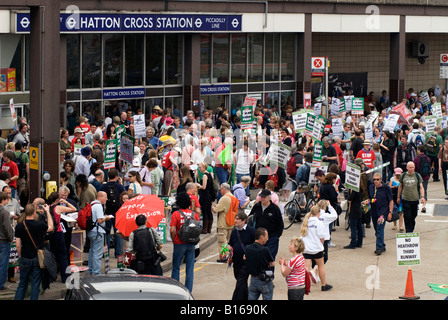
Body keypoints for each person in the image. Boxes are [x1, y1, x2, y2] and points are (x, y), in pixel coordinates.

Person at [14, 203, 54, 300]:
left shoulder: (19, 226)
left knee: (22, 283)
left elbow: (18, 244)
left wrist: (20, 256)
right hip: (37, 257)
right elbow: (51, 227)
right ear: (34, 212)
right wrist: (48, 212)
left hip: (25, 257)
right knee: (35, 283)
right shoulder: (39, 225)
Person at [170, 191, 199, 292]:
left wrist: (174, 239)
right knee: (190, 268)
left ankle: (175, 289)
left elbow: (172, 230)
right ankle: (188, 290)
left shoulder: (176, 214)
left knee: (176, 267)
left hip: (179, 243)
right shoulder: (194, 214)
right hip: (191, 243)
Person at [47, 191, 77, 283]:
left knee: (52, 255)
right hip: (58, 232)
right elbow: (74, 209)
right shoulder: (58, 208)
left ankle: (51, 277)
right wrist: (66, 202)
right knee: (63, 255)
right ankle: (65, 277)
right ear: (57, 199)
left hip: (51, 233)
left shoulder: (48, 208)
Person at [300, 206, 332, 291]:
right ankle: (323, 285)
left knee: (306, 266)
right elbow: (322, 237)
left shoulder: (306, 222)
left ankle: (306, 286)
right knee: (321, 265)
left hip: (306, 248)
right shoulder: (319, 223)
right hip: (316, 248)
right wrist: (322, 246)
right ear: (318, 213)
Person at [248, 189, 283, 262]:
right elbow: (250, 218)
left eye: (264, 197)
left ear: (269, 198)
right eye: (261, 197)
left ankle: (269, 273)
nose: (262, 198)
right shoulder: (256, 207)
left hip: (271, 238)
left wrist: (276, 236)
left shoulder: (275, 209)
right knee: (258, 259)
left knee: (269, 259)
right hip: (258, 238)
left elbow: (280, 223)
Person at [228, 212, 255, 300]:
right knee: (241, 283)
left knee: (240, 283)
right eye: (235, 218)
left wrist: (249, 254)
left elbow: (255, 245)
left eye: (237, 219)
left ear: (244, 221)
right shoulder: (234, 231)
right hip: (236, 261)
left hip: (246, 263)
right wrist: (228, 247)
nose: (235, 221)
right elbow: (231, 243)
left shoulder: (251, 231)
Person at [100, 168, 125, 258]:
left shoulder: (103, 187)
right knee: (118, 232)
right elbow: (123, 197)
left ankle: (105, 252)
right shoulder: (119, 187)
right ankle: (118, 253)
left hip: (106, 212)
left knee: (106, 232)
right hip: (118, 212)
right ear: (116, 176)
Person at [245, 227, 275, 300]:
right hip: (264, 279)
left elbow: (245, 258)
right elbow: (272, 263)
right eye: (266, 236)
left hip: (253, 279)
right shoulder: (265, 249)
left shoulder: (248, 248)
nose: (267, 239)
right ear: (262, 237)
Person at [86, 191, 112, 275]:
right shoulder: (98, 206)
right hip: (97, 231)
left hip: (91, 231)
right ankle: (96, 272)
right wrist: (107, 218)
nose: (107, 199)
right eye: (105, 197)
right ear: (100, 196)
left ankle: (90, 270)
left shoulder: (92, 204)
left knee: (92, 251)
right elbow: (100, 220)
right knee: (97, 253)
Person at [368, 172, 394, 255]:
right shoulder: (371, 187)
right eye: (374, 179)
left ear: (381, 180)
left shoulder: (386, 188)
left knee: (380, 229)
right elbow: (370, 198)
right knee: (377, 230)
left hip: (383, 212)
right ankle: (382, 245)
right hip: (374, 211)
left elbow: (391, 200)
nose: (376, 181)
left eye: (377, 179)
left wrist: (390, 212)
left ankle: (379, 248)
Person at [212, 183, 237, 262]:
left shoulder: (224, 198)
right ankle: (230, 256)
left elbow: (216, 210)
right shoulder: (233, 197)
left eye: (220, 189)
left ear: (223, 189)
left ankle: (224, 257)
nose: (220, 191)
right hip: (231, 222)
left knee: (222, 242)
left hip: (223, 223)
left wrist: (214, 207)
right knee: (229, 241)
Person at [397, 162, 425, 233]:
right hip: (405, 199)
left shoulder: (417, 175)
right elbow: (400, 187)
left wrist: (422, 197)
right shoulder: (403, 175)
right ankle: (409, 231)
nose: (411, 169)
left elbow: (421, 187)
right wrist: (398, 197)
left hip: (414, 199)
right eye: (410, 167)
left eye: (412, 167)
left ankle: (411, 228)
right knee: (407, 216)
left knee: (413, 216)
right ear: (406, 168)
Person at [0, 192, 14, 292]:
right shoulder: (4, 212)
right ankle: (0, 285)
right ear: (3, 200)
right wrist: (10, 238)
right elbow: (7, 228)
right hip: (3, 241)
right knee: (3, 264)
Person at [196, 162, 215, 234]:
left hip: (205, 196)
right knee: (209, 211)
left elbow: (204, 187)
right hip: (209, 195)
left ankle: (205, 229)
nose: (199, 169)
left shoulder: (205, 176)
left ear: (204, 168)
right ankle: (209, 228)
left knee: (205, 211)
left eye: (200, 167)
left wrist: (198, 185)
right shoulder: (209, 175)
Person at [414, 145, 430, 211]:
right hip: (425, 177)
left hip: (418, 177)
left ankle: (417, 205)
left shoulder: (416, 159)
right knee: (424, 191)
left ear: (419, 150)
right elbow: (429, 168)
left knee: (417, 191)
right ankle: (424, 206)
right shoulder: (428, 158)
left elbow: (414, 168)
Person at [389, 167, 404, 232]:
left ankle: (400, 226)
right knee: (394, 211)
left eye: (399, 175)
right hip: (393, 196)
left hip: (400, 197)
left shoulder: (402, 179)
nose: (398, 176)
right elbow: (389, 186)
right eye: (397, 174)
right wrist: (394, 186)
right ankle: (395, 224)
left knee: (401, 212)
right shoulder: (392, 179)